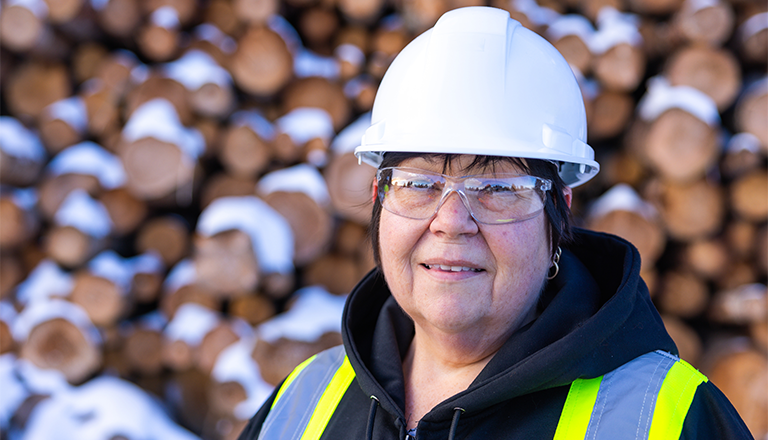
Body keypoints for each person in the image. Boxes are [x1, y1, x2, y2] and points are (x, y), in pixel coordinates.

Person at [239, 6, 753, 440]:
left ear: (560, 212)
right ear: (378, 197)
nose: (451, 222)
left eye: (499, 189)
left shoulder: (664, 416)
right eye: (419, 184)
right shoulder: (302, 404)